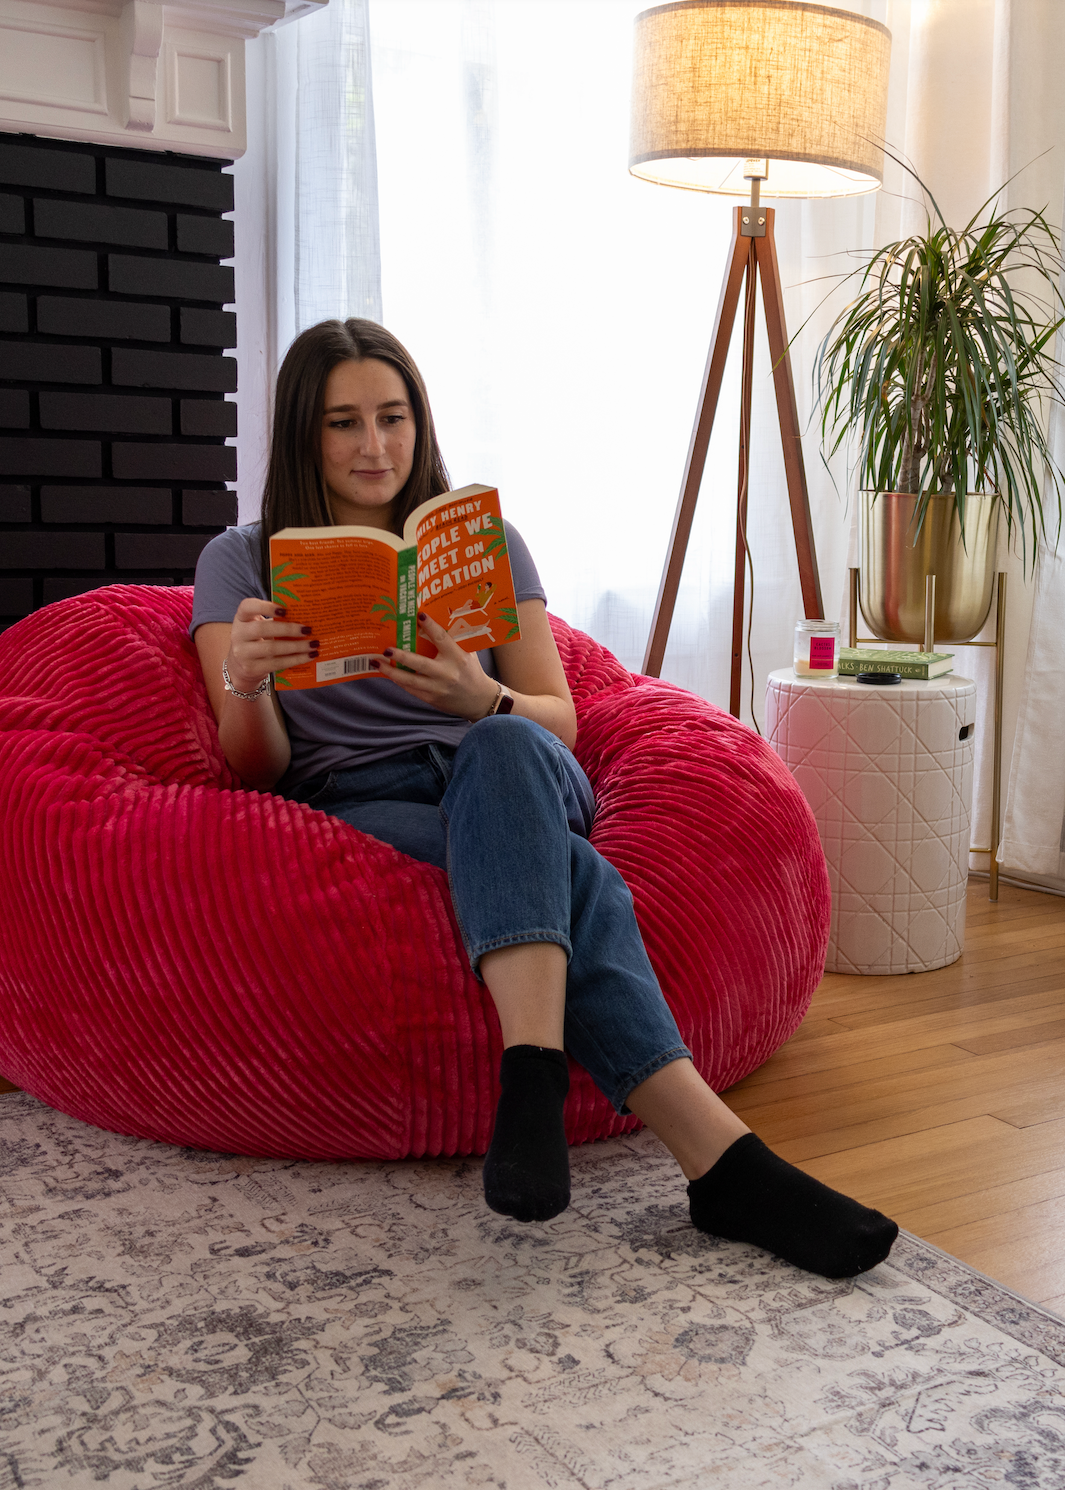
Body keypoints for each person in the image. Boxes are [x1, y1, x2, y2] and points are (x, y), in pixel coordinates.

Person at [190, 319, 897, 1279]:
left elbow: (559, 717)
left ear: (419, 422)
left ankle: (530, 1071)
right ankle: (725, 1166)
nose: (375, 447)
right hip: (373, 802)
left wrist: (475, 696)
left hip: (518, 767)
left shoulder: (480, 543)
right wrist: (248, 681)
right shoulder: (240, 561)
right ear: (303, 436)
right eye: (344, 423)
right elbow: (259, 771)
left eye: (393, 418)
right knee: (577, 879)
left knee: (504, 739)